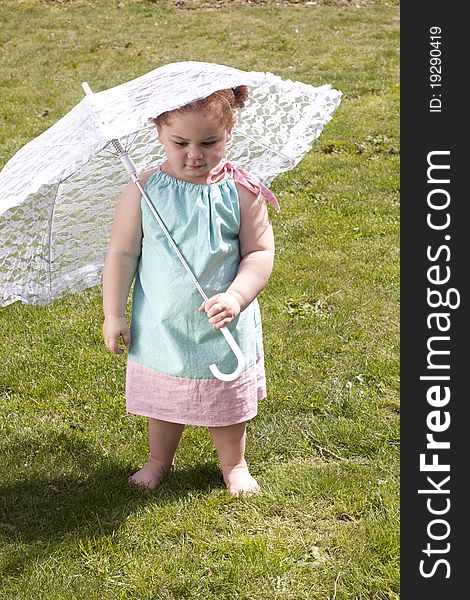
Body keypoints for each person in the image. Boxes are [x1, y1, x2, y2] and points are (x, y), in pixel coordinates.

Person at [102, 86, 277, 496]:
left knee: (228, 402)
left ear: (228, 134)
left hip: (225, 323)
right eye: (180, 143)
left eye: (209, 143)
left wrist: (236, 296)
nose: (194, 154)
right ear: (159, 132)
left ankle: (233, 464)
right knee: (164, 399)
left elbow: (259, 253)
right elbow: (122, 254)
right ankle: (159, 459)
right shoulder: (143, 191)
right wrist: (114, 313)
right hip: (164, 324)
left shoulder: (242, 191)